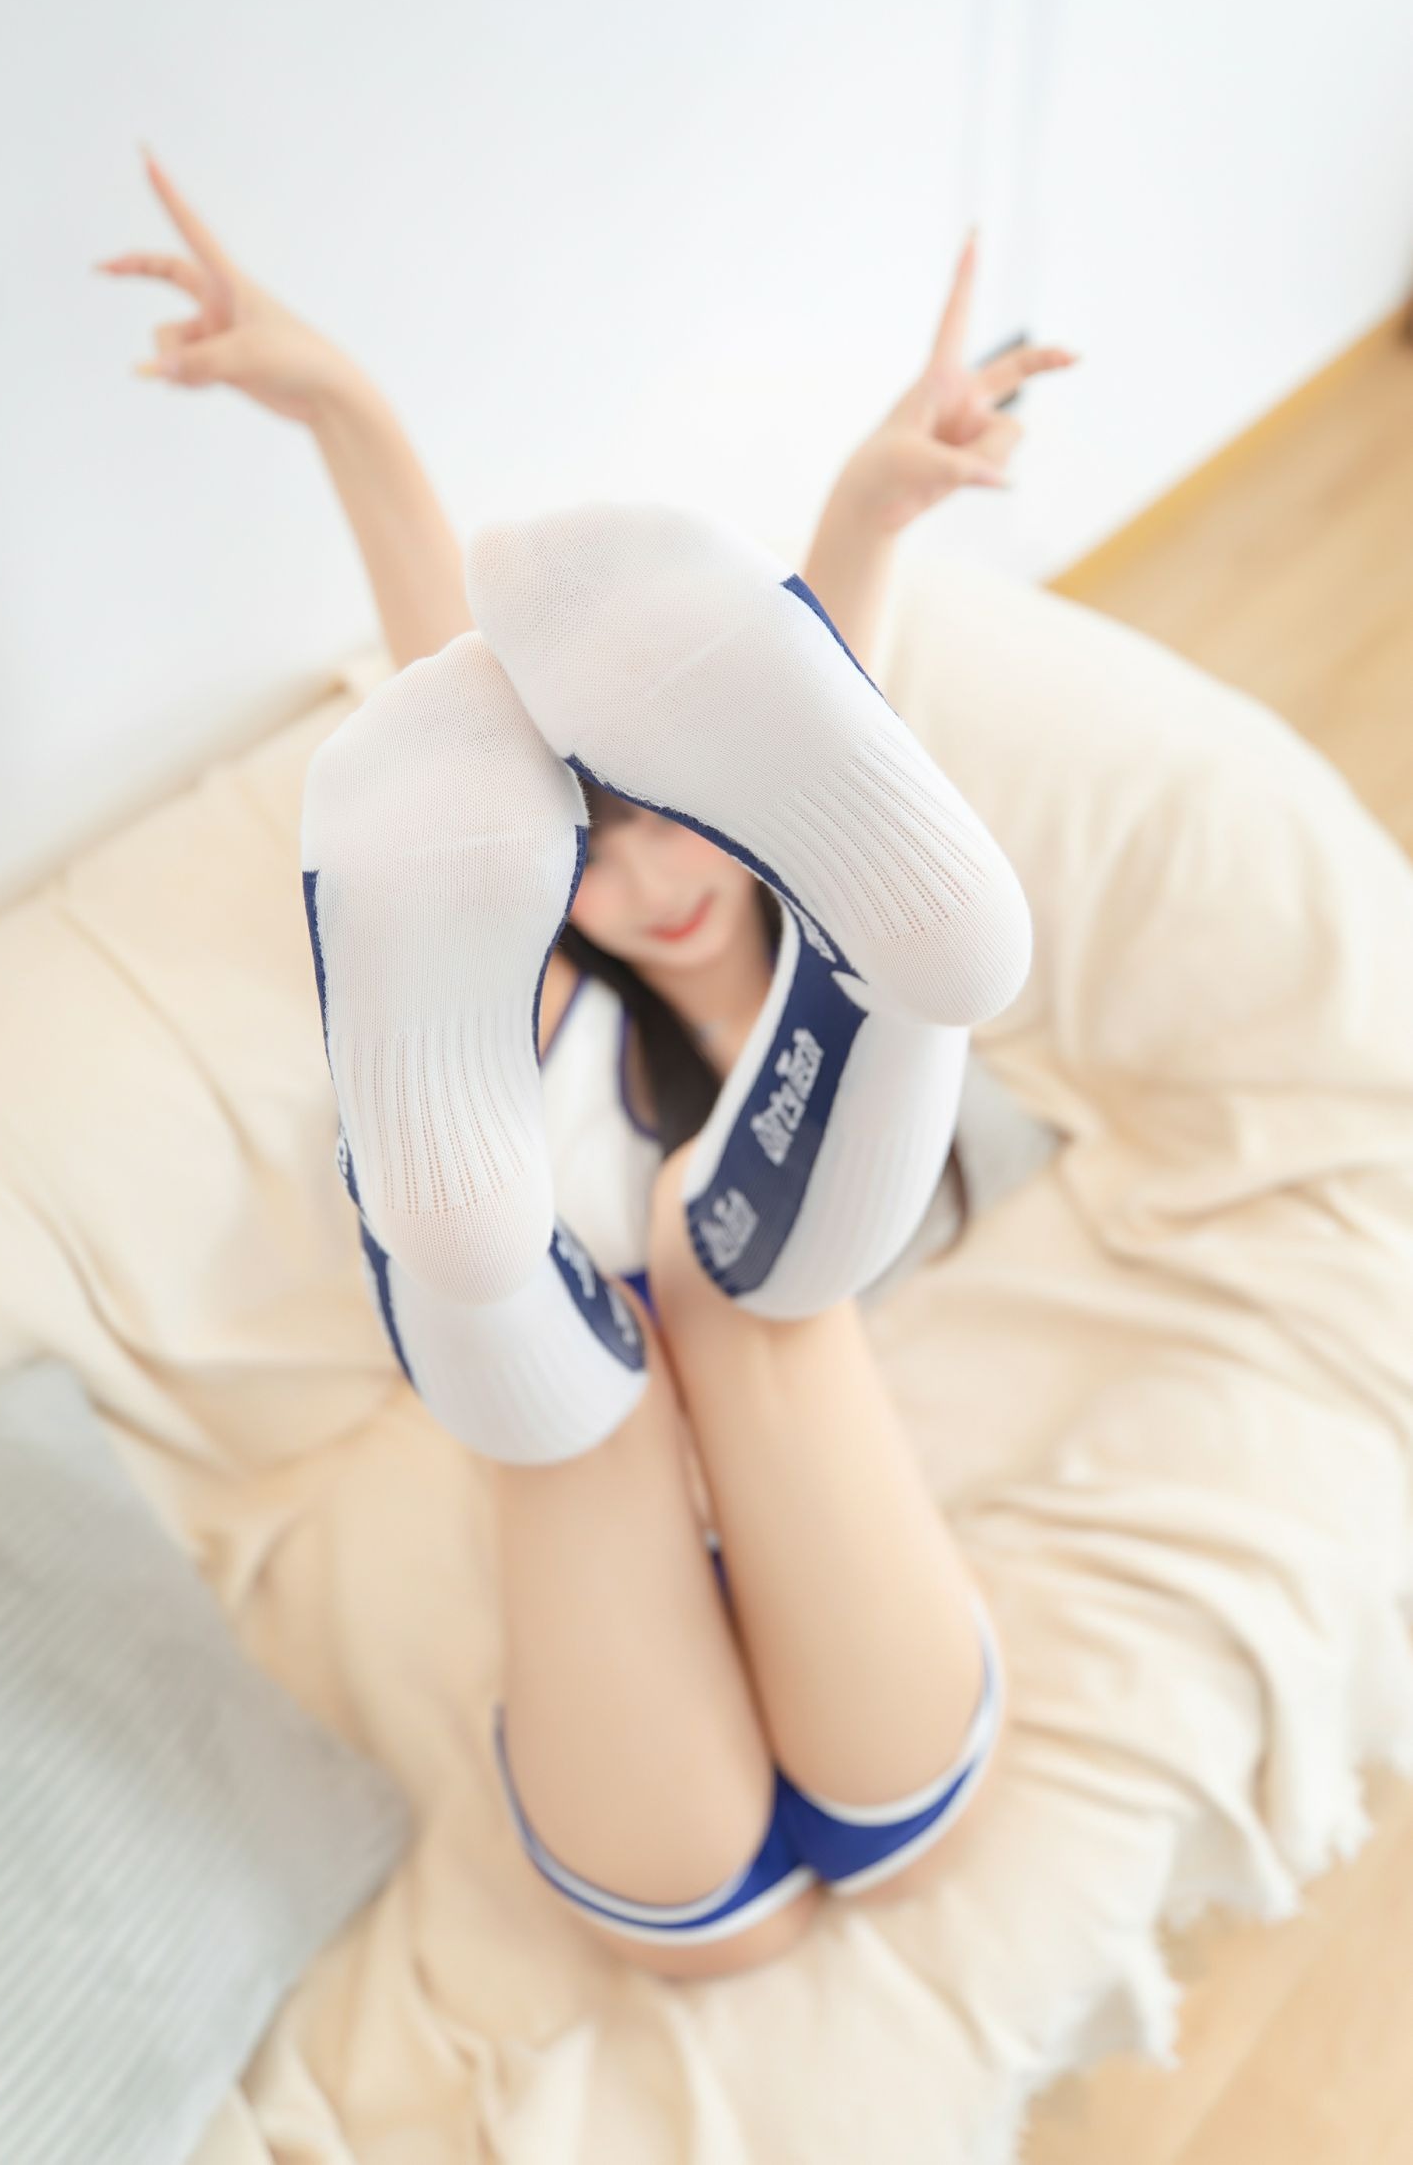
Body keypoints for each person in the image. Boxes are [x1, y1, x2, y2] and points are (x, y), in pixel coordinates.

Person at [96, 151, 1078, 1982]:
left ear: (752, 814)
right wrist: (343, 406)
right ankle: (472, 1242)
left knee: (737, 1284)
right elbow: (450, 740)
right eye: (595, 857)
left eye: (678, 821)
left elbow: (802, 727)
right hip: (582, 1440)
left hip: (814, 1490)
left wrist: (867, 511)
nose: (654, 883)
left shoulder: (798, 888)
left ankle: (482, 1233)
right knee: (600, 1373)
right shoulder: (560, 996)